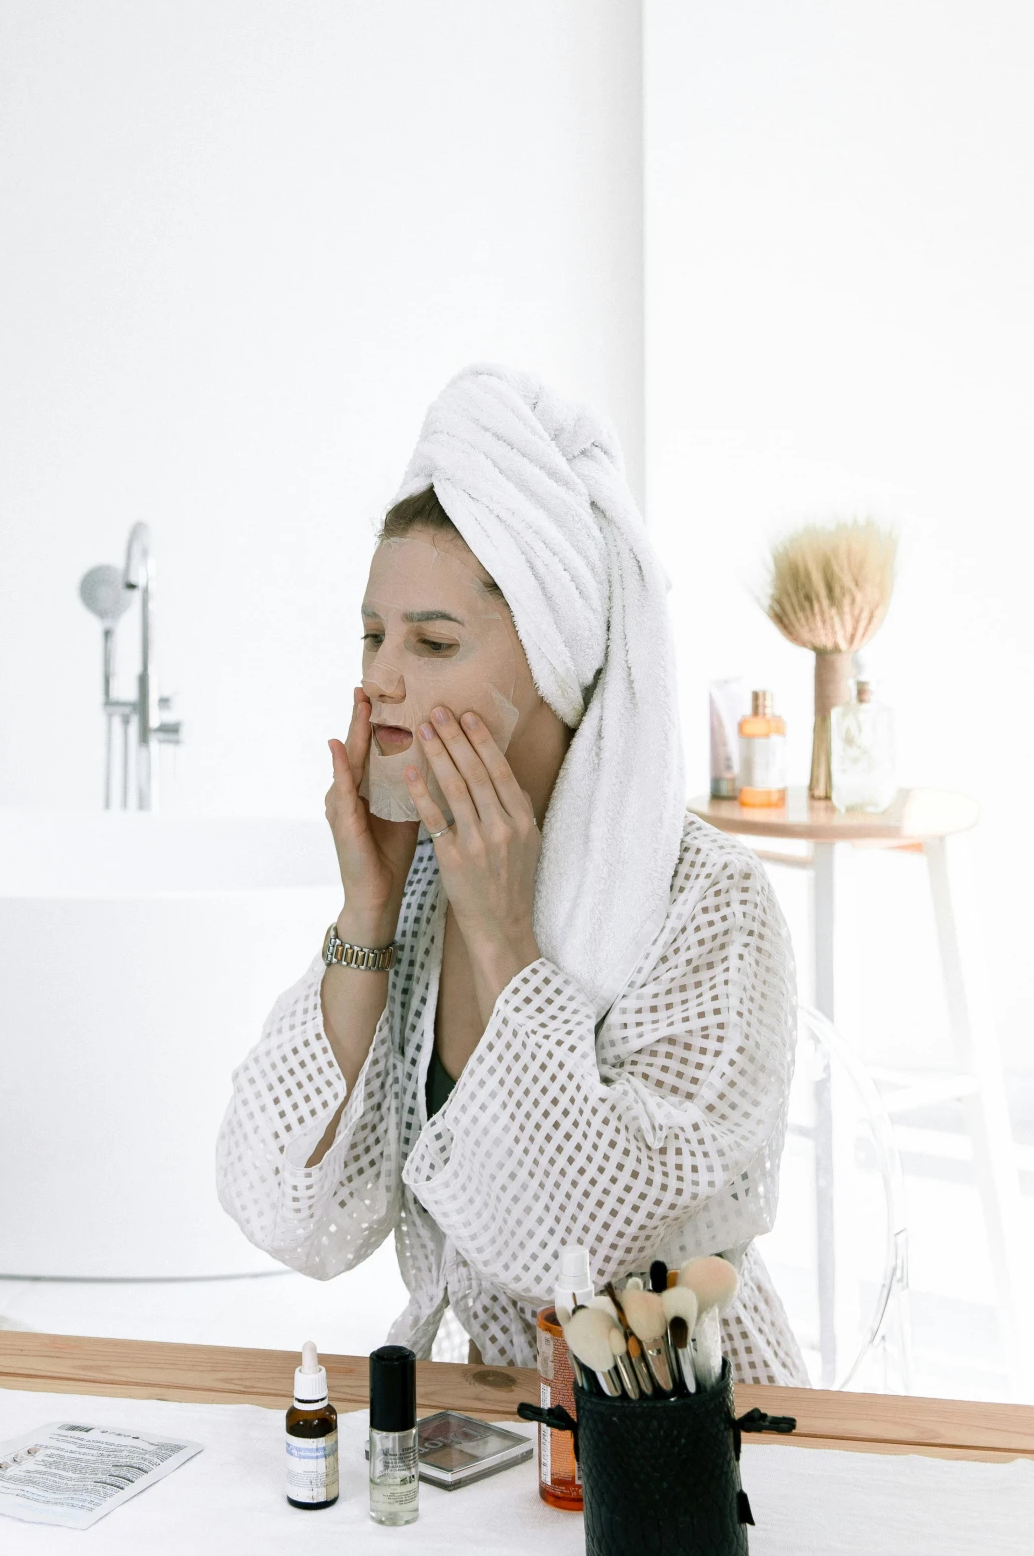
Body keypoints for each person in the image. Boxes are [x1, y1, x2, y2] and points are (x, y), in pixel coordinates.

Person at [217, 365, 805, 1381]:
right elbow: (284, 1213)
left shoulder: (710, 905)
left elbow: (601, 1254)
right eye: (372, 634)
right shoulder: (412, 891)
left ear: (552, 659)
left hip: (686, 1451)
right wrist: (365, 912)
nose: (378, 679)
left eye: (432, 641)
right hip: (488, 1439)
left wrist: (505, 942)